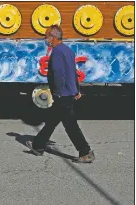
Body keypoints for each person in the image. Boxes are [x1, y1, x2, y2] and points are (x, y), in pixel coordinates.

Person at [26, 25, 95, 163]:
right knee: (52, 121)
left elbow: (59, 74)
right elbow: (72, 72)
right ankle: (38, 146)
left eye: (47, 36)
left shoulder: (57, 52)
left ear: (53, 37)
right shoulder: (68, 50)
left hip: (62, 94)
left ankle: (85, 152)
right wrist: (76, 89)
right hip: (68, 92)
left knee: (70, 125)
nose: (46, 39)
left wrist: (57, 92)